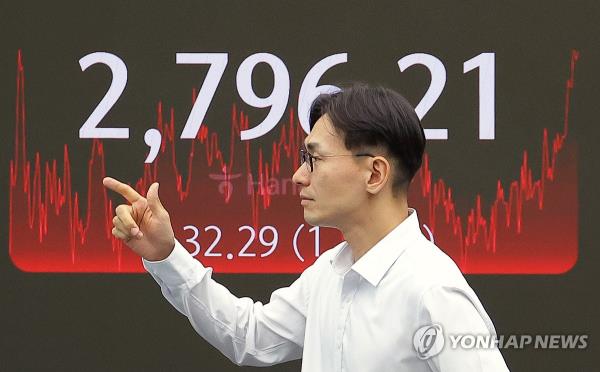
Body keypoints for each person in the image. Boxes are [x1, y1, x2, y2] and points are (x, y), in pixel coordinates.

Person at [104, 84, 510, 371]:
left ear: (374, 174)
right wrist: (167, 255)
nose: (299, 176)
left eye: (314, 159)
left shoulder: (433, 291)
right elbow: (250, 337)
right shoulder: (331, 272)